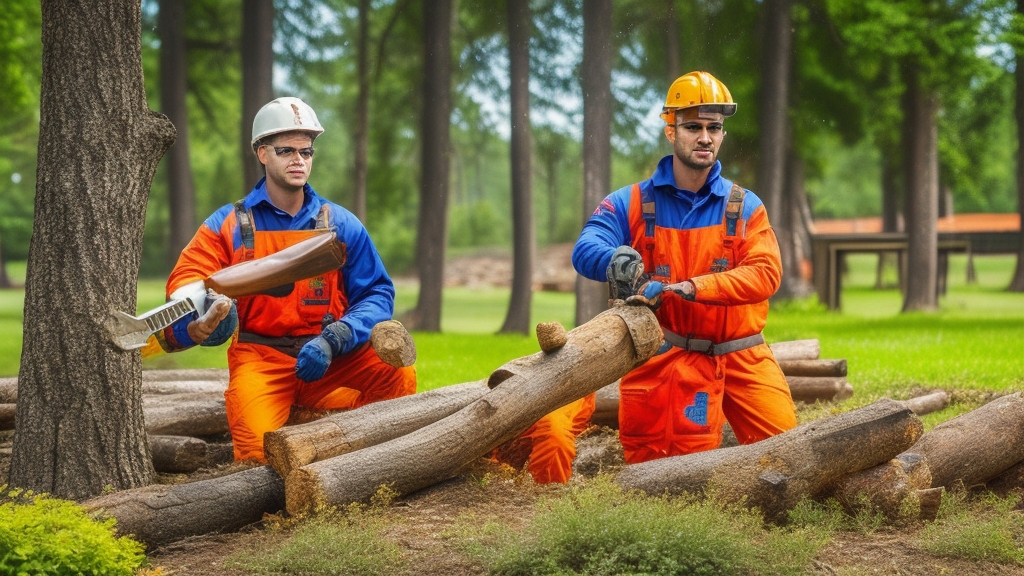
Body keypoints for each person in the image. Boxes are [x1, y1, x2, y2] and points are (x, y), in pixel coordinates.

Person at [153, 97, 417, 462]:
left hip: (329, 356)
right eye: (286, 151)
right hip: (259, 359)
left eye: (307, 152)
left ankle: (376, 463)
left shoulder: (340, 224)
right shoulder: (227, 224)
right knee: (257, 456)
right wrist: (202, 320)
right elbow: (185, 281)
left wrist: (336, 338)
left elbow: (376, 293)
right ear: (262, 154)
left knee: (395, 374)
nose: (299, 160)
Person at [571, 71, 797, 464]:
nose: (705, 137)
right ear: (670, 131)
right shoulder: (633, 202)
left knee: (792, 461)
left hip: (745, 356)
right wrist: (615, 260)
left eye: (715, 127)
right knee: (669, 474)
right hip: (670, 358)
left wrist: (693, 287)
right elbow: (586, 247)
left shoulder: (746, 206)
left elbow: (765, 274)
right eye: (693, 126)